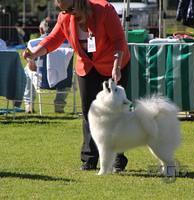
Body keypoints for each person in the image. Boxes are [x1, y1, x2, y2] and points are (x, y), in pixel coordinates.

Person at [23, 0, 131, 171]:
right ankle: (89, 158)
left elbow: (118, 40)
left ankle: (118, 157)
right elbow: (53, 39)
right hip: (87, 67)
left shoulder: (104, 10)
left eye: (71, 9)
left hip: (113, 64)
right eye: (63, 10)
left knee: (115, 112)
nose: (68, 13)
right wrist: (35, 53)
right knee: (89, 111)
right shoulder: (65, 17)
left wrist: (116, 66)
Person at [24, 18, 73, 113]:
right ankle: (59, 104)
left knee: (27, 70)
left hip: (42, 81)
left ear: (41, 30)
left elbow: (31, 64)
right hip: (63, 80)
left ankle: (29, 104)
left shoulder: (33, 43)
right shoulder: (67, 44)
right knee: (68, 70)